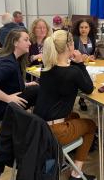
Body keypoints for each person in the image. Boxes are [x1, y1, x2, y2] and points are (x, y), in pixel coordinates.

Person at [33, 30, 96, 180]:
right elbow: (89, 88)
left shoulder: (46, 67)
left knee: (74, 115)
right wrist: (80, 62)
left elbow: (64, 78)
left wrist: (75, 64)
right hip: (55, 131)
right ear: (69, 46)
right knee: (91, 126)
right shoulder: (72, 72)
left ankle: (66, 157)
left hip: (39, 126)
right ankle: (76, 173)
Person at [0, 29, 39, 121]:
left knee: (36, 87)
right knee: (39, 90)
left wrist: (25, 84)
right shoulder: (8, 64)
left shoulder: (5, 56)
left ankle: (31, 123)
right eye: (26, 40)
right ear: (15, 42)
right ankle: (37, 124)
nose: (30, 43)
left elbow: (4, 83)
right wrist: (8, 98)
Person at [72, 18, 97, 111]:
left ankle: (85, 98)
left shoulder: (92, 39)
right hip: (77, 66)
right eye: (81, 27)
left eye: (86, 27)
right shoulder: (75, 39)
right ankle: (80, 99)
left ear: (90, 28)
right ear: (78, 29)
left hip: (90, 65)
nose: (83, 29)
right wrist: (80, 57)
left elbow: (93, 53)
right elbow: (71, 54)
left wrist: (91, 57)